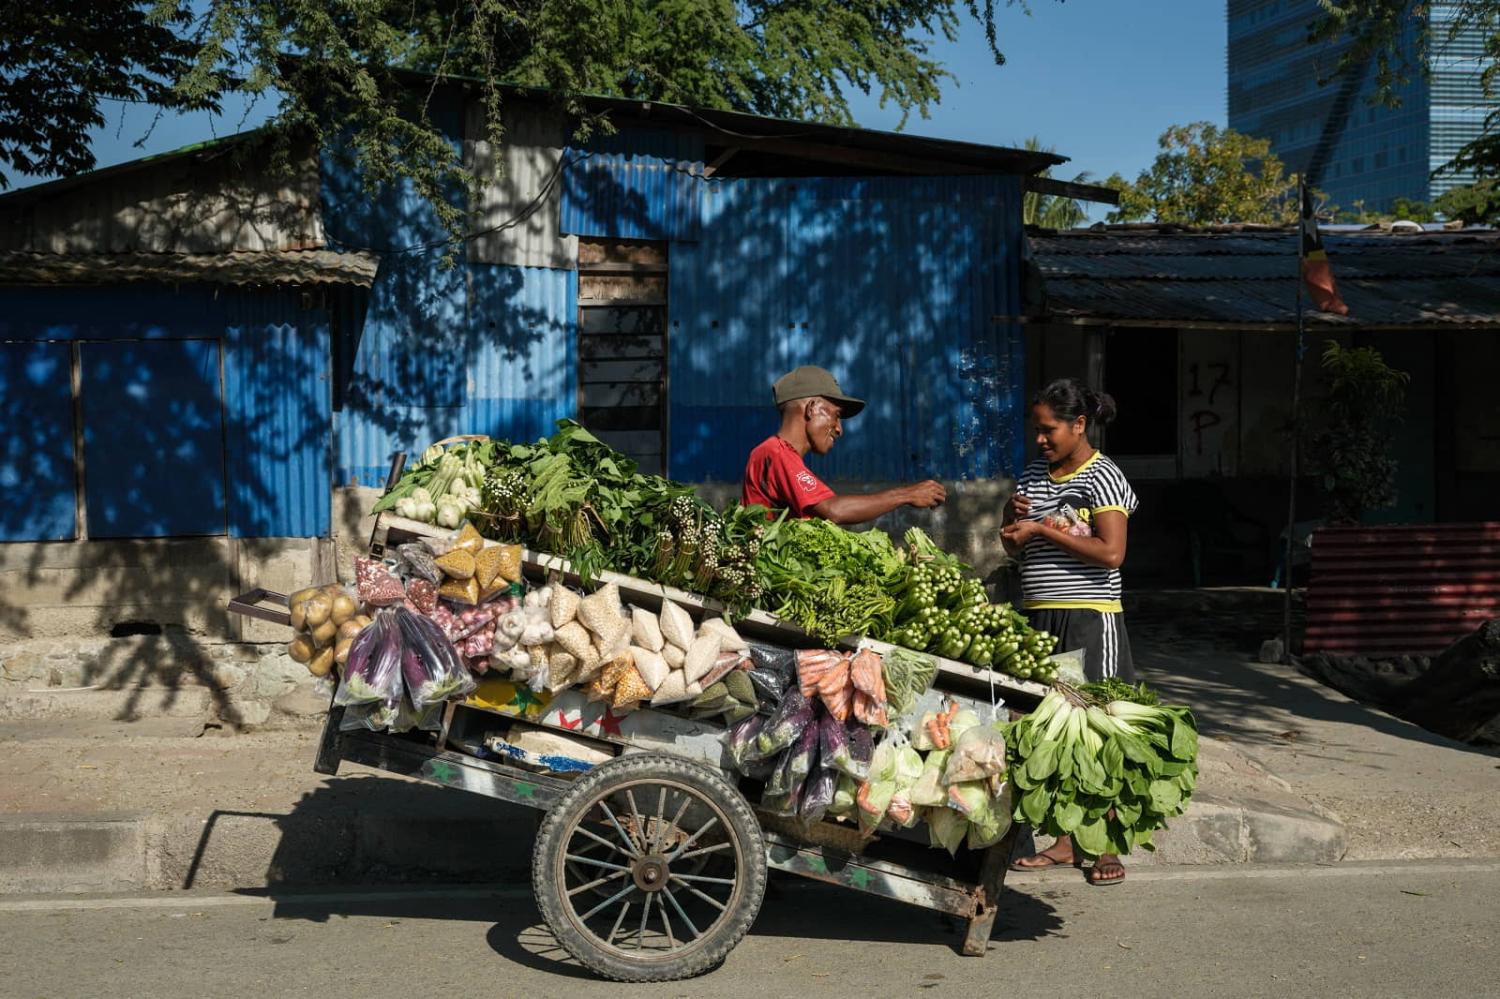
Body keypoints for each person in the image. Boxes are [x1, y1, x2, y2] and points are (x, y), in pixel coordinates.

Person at [1000, 377, 1137, 886]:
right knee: (1055, 731)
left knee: (1098, 730)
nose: (1040, 439)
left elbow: (1111, 552)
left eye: (1049, 429)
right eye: (1036, 430)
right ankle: (1063, 842)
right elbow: (1015, 548)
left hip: (1088, 615)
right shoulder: (1036, 473)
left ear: (1079, 424)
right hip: (1041, 616)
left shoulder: (1104, 477)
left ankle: (1106, 846)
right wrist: (1011, 525)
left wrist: (1040, 529)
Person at [741, 365, 947, 525]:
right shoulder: (777, 454)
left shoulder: (775, 454)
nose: (839, 429)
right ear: (812, 408)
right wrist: (906, 494)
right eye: (836, 415)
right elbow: (834, 510)